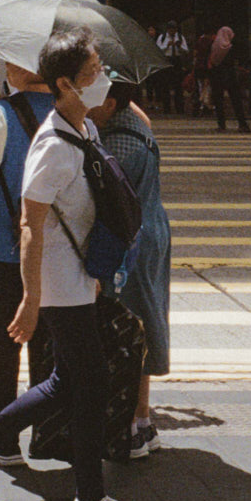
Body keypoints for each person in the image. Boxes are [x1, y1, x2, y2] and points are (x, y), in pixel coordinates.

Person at [0, 29, 144, 501]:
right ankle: (88, 499)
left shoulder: (84, 130)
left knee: (73, 382)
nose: (103, 79)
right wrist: (32, 300)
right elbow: (29, 225)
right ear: (65, 83)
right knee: (89, 382)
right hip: (56, 282)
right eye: (93, 74)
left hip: (80, 277)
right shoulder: (53, 145)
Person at [0, 60, 58, 425]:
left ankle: (2, 439)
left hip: (6, 251)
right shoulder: (75, 115)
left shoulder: (2, 114)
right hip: (57, 256)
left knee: (2, 351)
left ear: (20, 69)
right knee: (48, 351)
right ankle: (48, 434)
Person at [97, 81, 172, 458]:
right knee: (140, 327)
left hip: (131, 245)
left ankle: (128, 427)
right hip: (152, 232)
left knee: (126, 331)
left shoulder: (117, 146)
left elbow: (100, 201)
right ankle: (141, 421)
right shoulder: (134, 117)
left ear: (111, 103)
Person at [208, 22, 250, 131]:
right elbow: (238, 59)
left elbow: (212, 60)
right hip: (230, 74)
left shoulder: (215, 45)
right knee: (236, 100)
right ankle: (242, 123)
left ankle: (221, 125)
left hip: (217, 74)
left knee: (219, 100)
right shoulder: (231, 47)